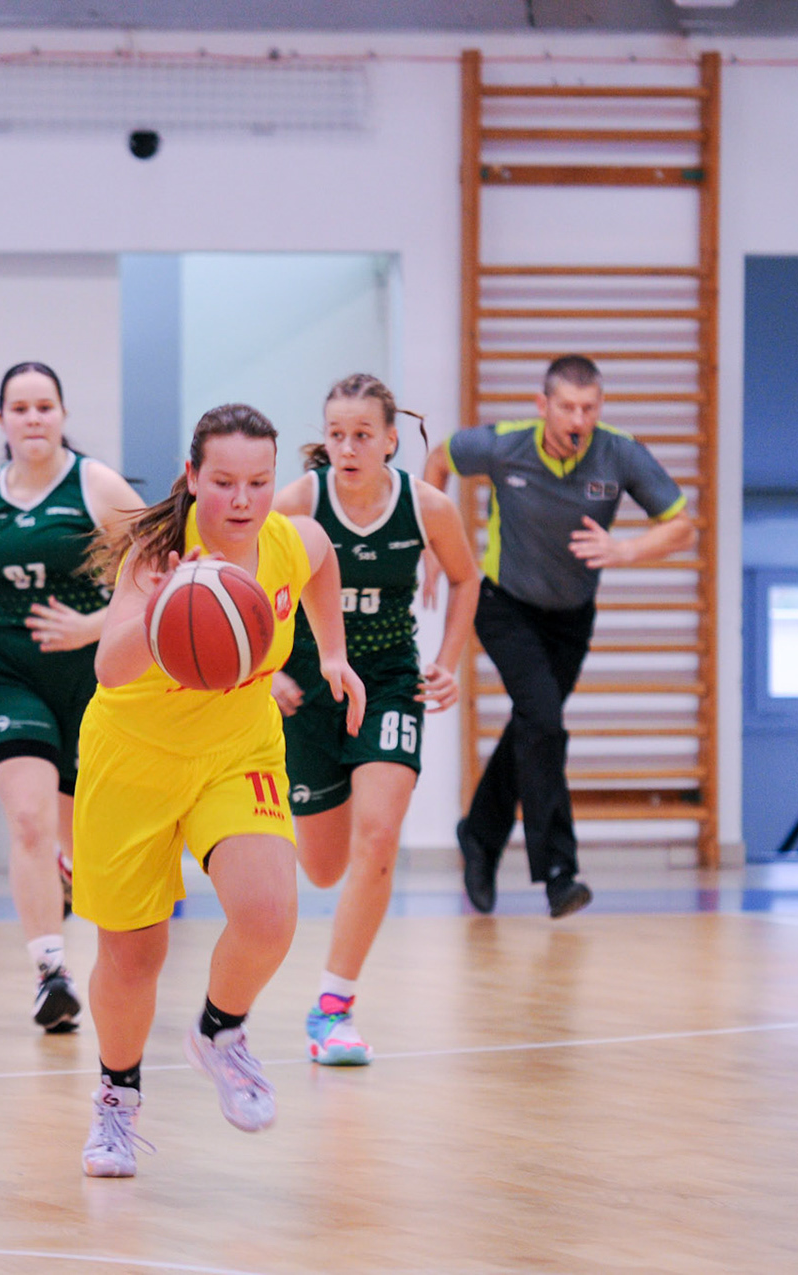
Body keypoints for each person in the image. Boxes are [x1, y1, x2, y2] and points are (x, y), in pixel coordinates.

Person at [74, 403, 364, 1178]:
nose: (243, 499)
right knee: (133, 956)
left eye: (260, 482)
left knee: (269, 914)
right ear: (194, 477)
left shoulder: (289, 540)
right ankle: (116, 1097)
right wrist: (165, 604)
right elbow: (108, 668)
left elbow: (323, 560)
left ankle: (219, 1030)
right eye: (226, 481)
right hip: (132, 760)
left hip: (237, 752)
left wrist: (332, 653)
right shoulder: (157, 555)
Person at [422, 355, 694, 918]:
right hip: (504, 606)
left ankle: (479, 835)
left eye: (589, 408)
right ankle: (558, 874)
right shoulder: (504, 445)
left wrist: (625, 550)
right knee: (543, 722)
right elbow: (439, 459)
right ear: (542, 406)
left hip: (572, 616)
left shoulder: (619, 454)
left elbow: (681, 527)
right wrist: (431, 542)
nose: (578, 420)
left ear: (600, 408)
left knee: (534, 726)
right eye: (567, 407)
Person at [0, 362, 140, 1034]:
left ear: (63, 415)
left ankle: (67, 878)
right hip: (11, 674)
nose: (34, 417)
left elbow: (156, 576)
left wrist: (91, 626)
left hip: (92, 679)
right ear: (1, 420)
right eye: (20, 408)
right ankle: (51, 974)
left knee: (84, 840)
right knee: (28, 821)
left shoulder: (96, 486)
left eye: (45, 406)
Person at [271, 374, 478, 1066]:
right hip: (310, 684)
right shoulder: (299, 503)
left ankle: (333, 1007)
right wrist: (267, 668)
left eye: (363, 435)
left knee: (380, 837)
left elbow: (466, 578)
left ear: (391, 440)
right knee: (323, 867)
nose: (348, 447)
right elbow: (244, 579)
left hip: (389, 681)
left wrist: (447, 661)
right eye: (336, 435)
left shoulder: (427, 507)